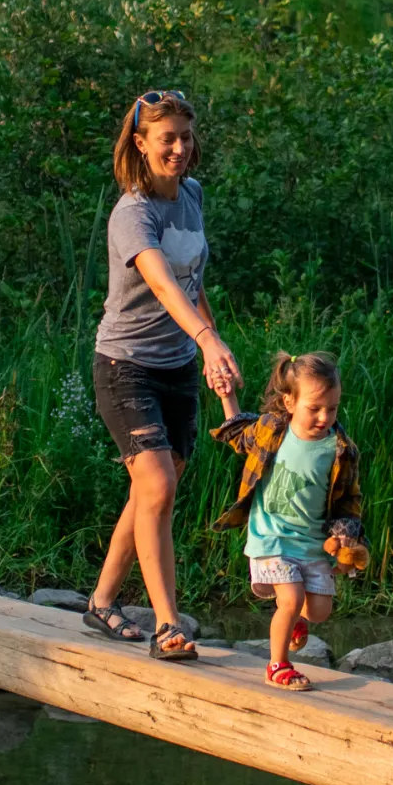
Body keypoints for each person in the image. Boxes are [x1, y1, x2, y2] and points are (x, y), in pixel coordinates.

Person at [83, 91, 240, 658]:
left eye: (185, 136)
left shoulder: (192, 196)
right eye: (166, 138)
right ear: (140, 144)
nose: (179, 148)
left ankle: (101, 603)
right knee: (158, 486)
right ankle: (168, 626)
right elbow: (161, 282)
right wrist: (207, 338)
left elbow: (193, 283)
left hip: (176, 367)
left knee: (152, 490)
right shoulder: (132, 213)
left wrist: (210, 351)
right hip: (126, 367)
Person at [210, 352, 367, 691]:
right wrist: (227, 396)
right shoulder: (272, 430)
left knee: (320, 611)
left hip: (312, 543)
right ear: (290, 401)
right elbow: (239, 434)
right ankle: (278, 665)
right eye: (315, 408)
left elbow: (348, 501)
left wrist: (346, 540)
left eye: (333, 408)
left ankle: (293, 621)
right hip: (271, 537)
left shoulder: (341, 449)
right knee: (291, 599)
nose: (325, 417)